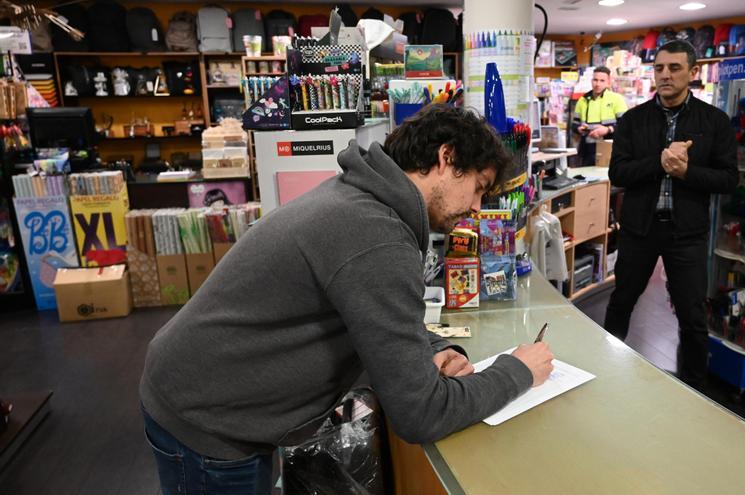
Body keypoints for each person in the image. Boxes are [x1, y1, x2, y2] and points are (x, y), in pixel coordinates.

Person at [139, 105, 555, 495]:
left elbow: (369, 313)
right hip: (209, 422)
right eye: (478, 188)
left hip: (213, 396)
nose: (477, 207)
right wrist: (517, 371)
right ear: (445, 158)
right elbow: (420, 413)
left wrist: (434, 348)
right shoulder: (376, 234)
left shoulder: (364, 201)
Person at [604, 40, 738, 387]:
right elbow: (617, 173)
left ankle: (695, 389)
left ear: (694, 73)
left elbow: (728, 179)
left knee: (693, 315)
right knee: (621, 302)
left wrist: (685, 172)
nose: (665, 75)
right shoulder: (633, 121)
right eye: (660, 68)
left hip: (687, 234)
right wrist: (660, 162)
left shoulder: (715, 122)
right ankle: (601, 373)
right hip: (638, 230)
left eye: (674, 68)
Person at [572, 66, 629, 166]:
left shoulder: (616, 99)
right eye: (595, 80)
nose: (598, 84)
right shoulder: (583, 100)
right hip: (587, 150)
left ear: (608, 82)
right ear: (591, 81)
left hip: (610, 149)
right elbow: (574, 125)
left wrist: (608, 130)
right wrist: (579, 129)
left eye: (602, 80)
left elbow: (626, 125)